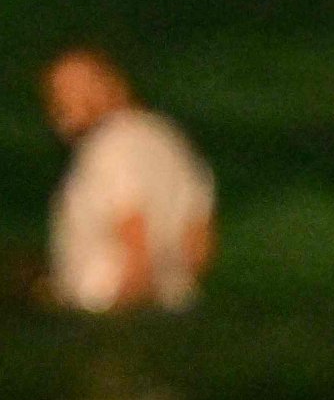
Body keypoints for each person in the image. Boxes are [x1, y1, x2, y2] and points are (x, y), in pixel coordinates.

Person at [39, 48, 217, 314]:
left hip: (109, 309)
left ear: (115, 85)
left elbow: (135, 231)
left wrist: (125, 317)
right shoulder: (169, 139)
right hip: (175, 306)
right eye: (57, 92)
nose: (62, 104)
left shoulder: (110, 145)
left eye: (76, 87)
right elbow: (199, 245)